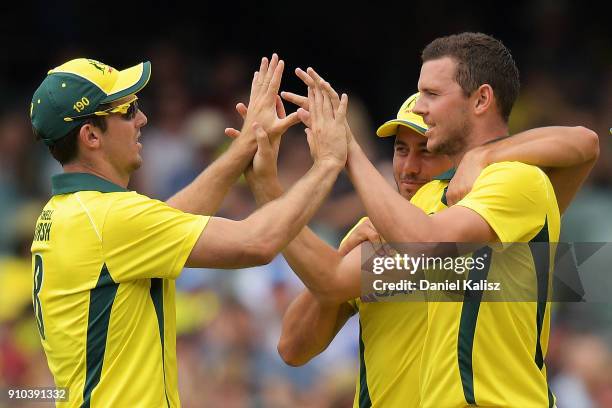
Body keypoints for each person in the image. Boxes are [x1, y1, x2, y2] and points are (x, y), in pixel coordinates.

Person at [226, 72, 598, 408]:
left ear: (456, 152)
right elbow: (292, 347)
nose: (409, 167)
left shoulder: (474, 215)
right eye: (401, 150)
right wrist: (341, 253)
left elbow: (583, 144)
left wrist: (272, 191)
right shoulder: (382, 229)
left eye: (426, 149)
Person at [29, 54, 349, 407]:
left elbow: (167, 220)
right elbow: (262, 248)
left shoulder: (68, 211)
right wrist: (330, 162)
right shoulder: (108, 217)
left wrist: (245, 148)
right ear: (90, 135)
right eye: (128, 109)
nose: (142, 118)